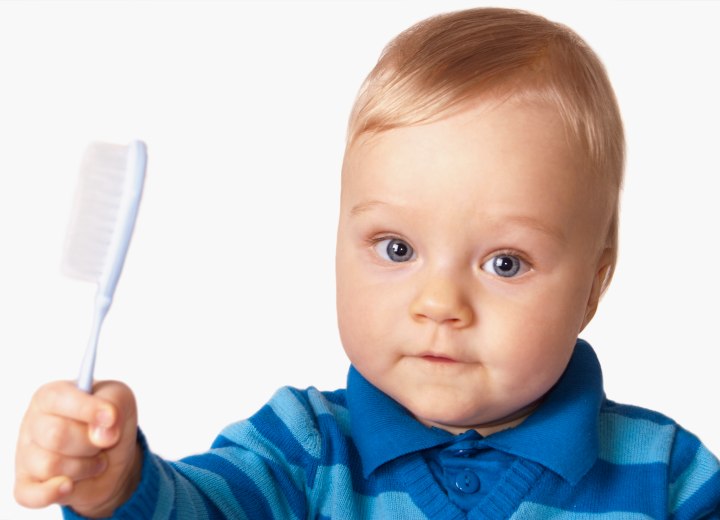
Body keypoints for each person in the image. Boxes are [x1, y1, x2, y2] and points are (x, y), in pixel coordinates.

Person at [15, 7, 720, 519]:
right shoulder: (302, 449)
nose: (439, 302)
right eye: (397, 249)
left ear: (594, 286)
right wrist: (118, 487)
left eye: (505, 263)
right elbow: (199, 510)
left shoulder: (667, 478)